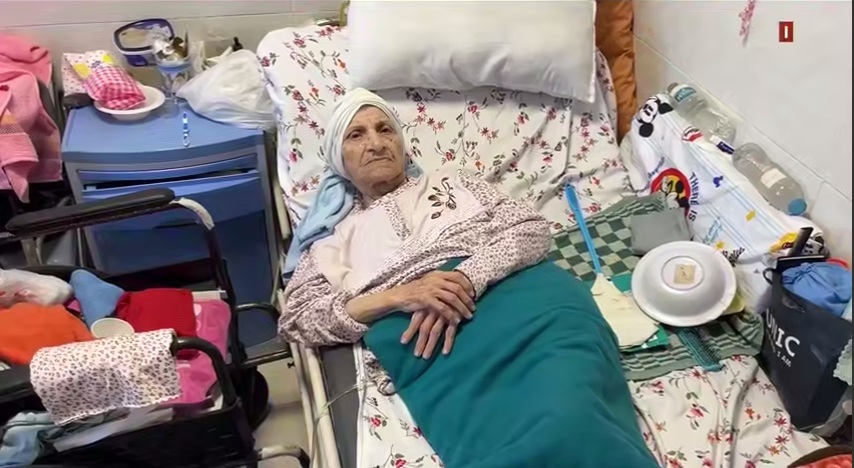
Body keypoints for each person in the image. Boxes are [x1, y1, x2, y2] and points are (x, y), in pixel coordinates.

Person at [279, 88, 551, 359]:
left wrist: (466, 278)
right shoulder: (331, 243)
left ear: (401, 144)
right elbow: (297, 319)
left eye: (385, 130)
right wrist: (399, 296)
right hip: (429, 349)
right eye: (356, 135)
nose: (376, 144)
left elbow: (532, 230)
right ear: (339, 160)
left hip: (518, 303)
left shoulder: (455, 181)